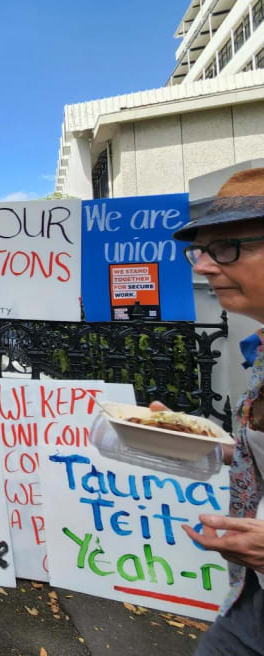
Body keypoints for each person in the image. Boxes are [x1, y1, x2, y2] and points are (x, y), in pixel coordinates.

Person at [169, 167, 264, 654]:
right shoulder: (261, 349)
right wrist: (209, 444)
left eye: (228, 248)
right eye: (201, 251)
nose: (203, 266)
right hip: (250, 600)